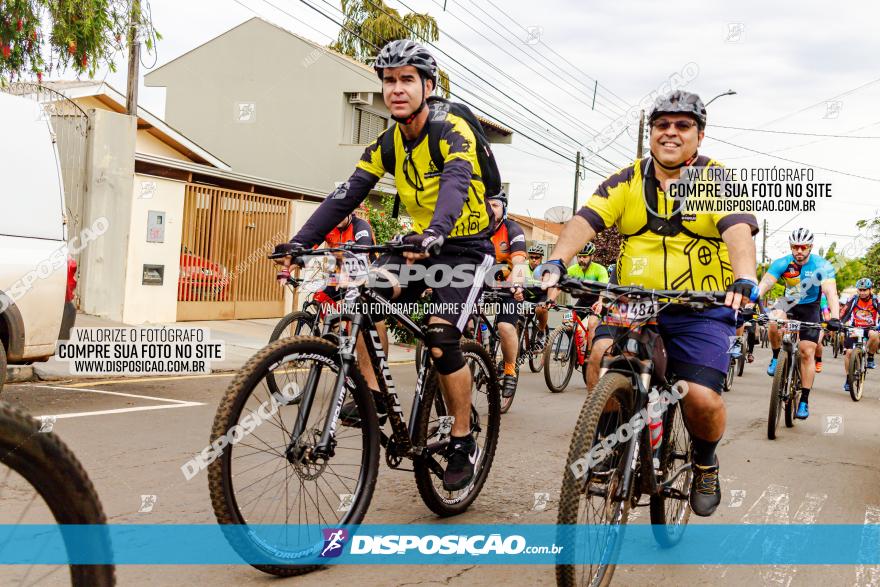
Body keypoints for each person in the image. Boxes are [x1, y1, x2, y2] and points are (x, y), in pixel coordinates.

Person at [274, 40, 495, 492]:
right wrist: (300, 242)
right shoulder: (388, 143)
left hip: (465, 247)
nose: (396, 89)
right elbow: (348, 194)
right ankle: (373, 394)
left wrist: (437, 231)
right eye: (388, 81)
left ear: (428, 86)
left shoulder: (451, 129)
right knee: (362, 297)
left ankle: (461, 438)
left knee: (440, 336)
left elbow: (455, 182)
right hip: (418, 245)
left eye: (407, 79)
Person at [537, 90, 760, 517]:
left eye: (683, 126)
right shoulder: (626, 180)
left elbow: (737, 231)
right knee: (601, 355)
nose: (671, 133)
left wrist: (745, 277)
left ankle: (705, 460)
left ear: (699, 135)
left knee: (699, 397)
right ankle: (607, 436)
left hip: (701, 306)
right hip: (634, 300)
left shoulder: (717, 180)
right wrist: (554, 261)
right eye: (662, 125)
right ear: (650, 133)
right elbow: (586, 219)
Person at [758, 228, 841, 419]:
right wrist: (751, 302)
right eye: (795, 247)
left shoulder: (822, 265)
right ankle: (776, 356)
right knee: (773, 321)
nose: (799, 250)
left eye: (803, 247)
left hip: (811, 307)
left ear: (810, 247)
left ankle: (804, 399)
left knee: (807, 352)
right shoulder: (783, 263)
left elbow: (831, 292)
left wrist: (835, 317)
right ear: (791, 246)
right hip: (789, 302)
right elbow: (765, 284)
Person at [486, 191, 530, 398]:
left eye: (495, 205)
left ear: (504, 208)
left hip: (509, 286)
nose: (490, 209)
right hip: (484, 283)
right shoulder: (477, 229)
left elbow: (519, 262)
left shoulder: (512, 229)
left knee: (504, 326)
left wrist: (518, 285)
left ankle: (510, 369)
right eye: (487, 205)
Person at [312, 212, 376, 311]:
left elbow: (364, 251)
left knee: (353, 309)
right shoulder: (329, 228)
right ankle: (336, 324)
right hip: (340, 274)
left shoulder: (360, 226)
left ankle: (349, 320)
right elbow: (310, 246)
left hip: (364, 273)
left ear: (350, 213)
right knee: (319, 297)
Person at [841, 278, 880, 391]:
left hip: (870, 328)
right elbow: (844, 311)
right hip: (855, 328)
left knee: (875, 335)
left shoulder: (875, 300)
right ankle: (848, 378)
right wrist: (840, 322)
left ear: (870, 290)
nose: (862, 292)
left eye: (865, 290)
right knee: (848, 352)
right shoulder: (853, 299)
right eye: (860, 290)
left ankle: (870, 357)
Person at [813, 291, 831, 373]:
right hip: (799, 321)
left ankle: (818, 360)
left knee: (817, 341)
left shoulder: (821, 294)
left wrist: (828, 321)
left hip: (817, 322)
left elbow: (825, 309)